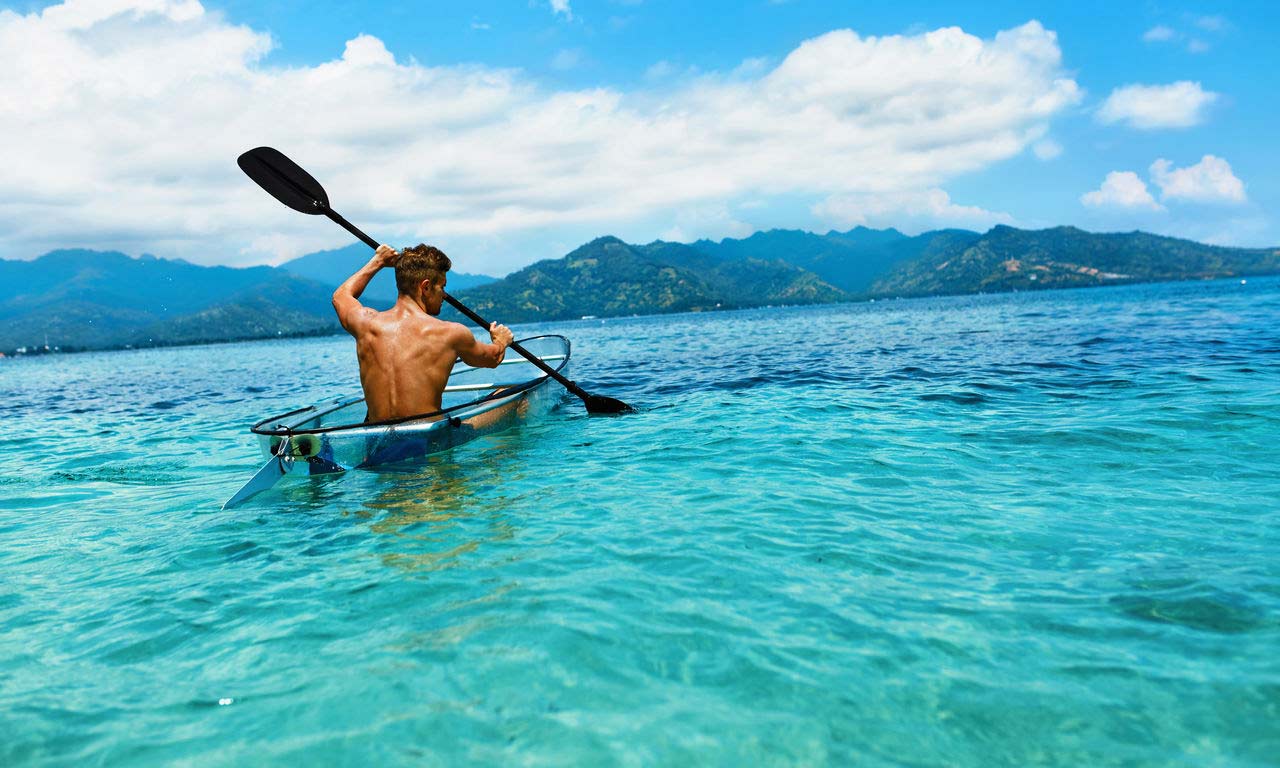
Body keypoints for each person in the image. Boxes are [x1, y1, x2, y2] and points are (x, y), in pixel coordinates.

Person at [332, 243, 514, 422]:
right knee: (511, 395)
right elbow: (493, 358)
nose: (444, 295)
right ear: (425, 287)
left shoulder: (366, 323)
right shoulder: (450, 333)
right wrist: (500, 340)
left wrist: (378, 261)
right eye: (442, 287)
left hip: (377, 445)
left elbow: (341, 296)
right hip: (428, 444)